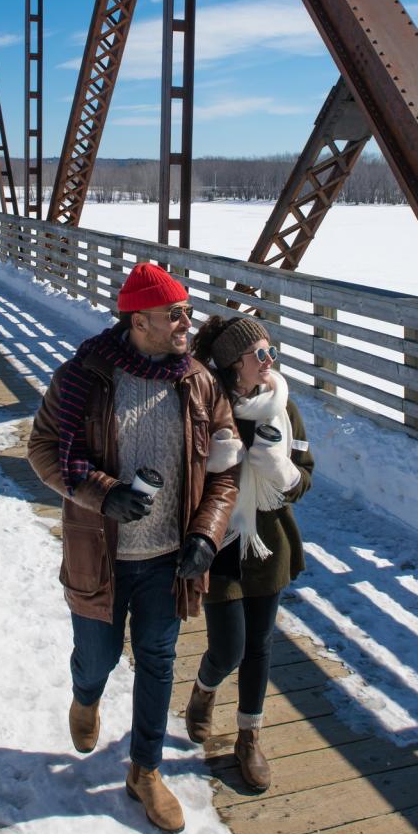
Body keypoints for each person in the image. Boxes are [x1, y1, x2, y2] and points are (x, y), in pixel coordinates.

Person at [28, 263, 239, 833]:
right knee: (96, 658)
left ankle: (145, 770)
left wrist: (206, 534)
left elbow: (226, 467)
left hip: (168, 560)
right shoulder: (84, 377)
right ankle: (85, 696)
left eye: (187, 314)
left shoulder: (198, 381)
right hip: (102, 556)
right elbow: (44, 450)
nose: (186, 325)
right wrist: (104, 494)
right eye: (175, 315)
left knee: (158, 660)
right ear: (138, 320)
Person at [185, 315, 314, 792]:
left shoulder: (284, 409)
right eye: (259, 354)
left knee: (260, 646)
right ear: (232, 364)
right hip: (222, 544)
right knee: (229, 648)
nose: (269, 362)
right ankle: (203, 688)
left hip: (269, 542)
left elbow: (305, 477)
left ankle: (249, 737)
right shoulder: (206, 408)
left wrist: (280, 471)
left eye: (271, 351)